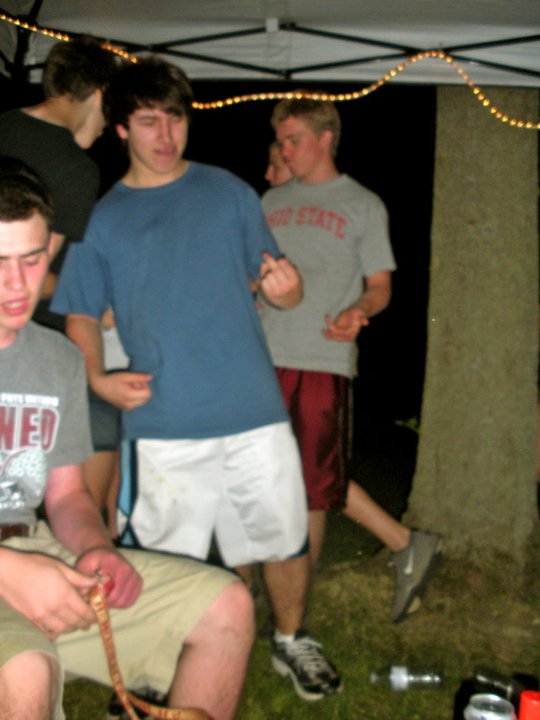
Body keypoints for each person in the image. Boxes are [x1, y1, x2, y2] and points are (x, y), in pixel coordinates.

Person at [51, 57, 342, 703]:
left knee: (282, 536)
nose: (166, 135)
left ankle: (290, 639)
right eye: (148, 122)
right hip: (163, 420)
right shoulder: (106, 219)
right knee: (158, 559)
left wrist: (288, 292)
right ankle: (147, 678)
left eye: (175, 119)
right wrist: (98, 377)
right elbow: (80, 314)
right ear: (121, 129)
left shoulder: (229, 192)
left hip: (253, 408)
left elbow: (277, 285)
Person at [0, 156, 254, 720]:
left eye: (32, 259)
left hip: (33, 548)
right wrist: (10, 574)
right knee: (27, 669)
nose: (18, 285)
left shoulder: (57, 359)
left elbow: (67, 496)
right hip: (14, 569)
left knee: (227, 606)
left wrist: (97, 548)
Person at [260, 93, 442, 623]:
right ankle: (268, 594)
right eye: (281, 141)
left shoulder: (363, 204)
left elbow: (380, 286)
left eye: (293, 140)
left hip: (321, 357)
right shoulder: (269, 203)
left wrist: (359, 311)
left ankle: (293, 612)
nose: (284, 150)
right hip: (259, 359)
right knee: (264, 482)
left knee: (313, 489)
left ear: (325, 138)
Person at [0, 35, 123, 531]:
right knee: (101, 431)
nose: (110, 121)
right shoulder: (75, 168)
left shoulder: (4, 126)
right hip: (37, 346)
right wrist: (98, 300)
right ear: (98, 93)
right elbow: (29, 280)